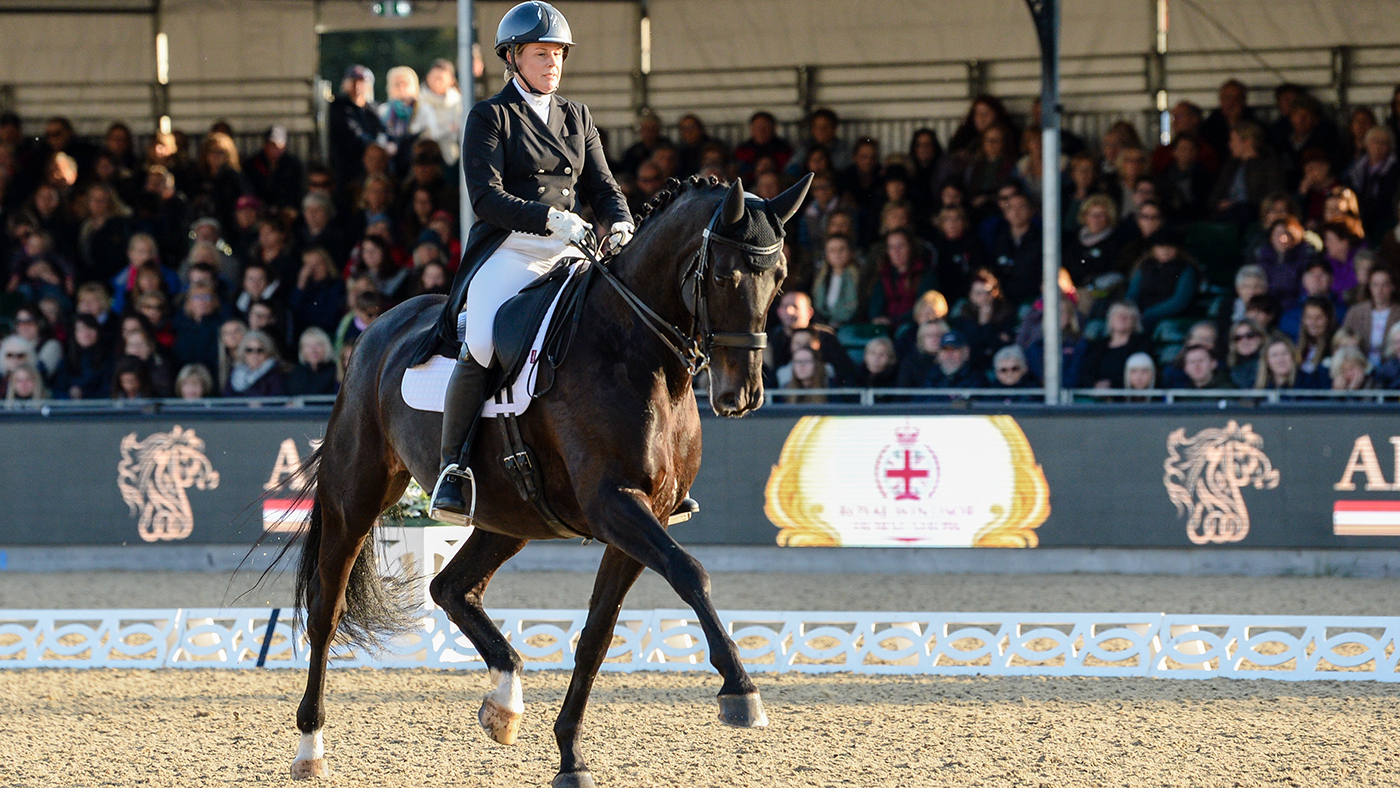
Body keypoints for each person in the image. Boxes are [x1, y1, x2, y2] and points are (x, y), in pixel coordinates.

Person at [426, 2, 635, 523]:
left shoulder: (577, 116)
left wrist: (621, 221)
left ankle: (641, 460)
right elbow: (486, 197)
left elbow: (602, 186)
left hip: (573, 246)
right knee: (480, 340)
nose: (553, 63)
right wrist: (549, 219)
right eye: (541, 53)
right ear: (514, 57)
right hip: (511, 247)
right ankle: (453, 469)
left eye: (558, 54)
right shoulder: (490, 116)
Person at [1126, 229, 1198, 331]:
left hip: (1169, 317)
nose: (1165, 251)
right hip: (1139, 314)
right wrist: (1130, 310)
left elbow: (1179, 301)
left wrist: (1148, 314)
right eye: (1160, 246)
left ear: (1177, 249)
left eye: (1170, 247)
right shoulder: (1144, 266)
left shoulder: (1186, 269)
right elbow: (1132, 293)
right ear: (1153, 249)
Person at [329, 65, 386, 187]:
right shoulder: (339, 107)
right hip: (349, 170)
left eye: (362, 82)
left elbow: (383, 130)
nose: (357, 86)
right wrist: (374, 145)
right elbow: (352, 135)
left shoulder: (372, 109)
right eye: (353, 82)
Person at [1078, 301, 1151, 389]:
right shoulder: (1098, 345)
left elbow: (1144, 375)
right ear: (1110, 319)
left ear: (1134, 321)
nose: (1122, 318)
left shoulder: (1142, 344)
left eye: (1127, 316)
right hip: (1098, 397)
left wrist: (1111, 385)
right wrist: (1095, 384)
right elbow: (1085, 372)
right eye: (1118, 315)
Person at [1342, 265, 1400, 367]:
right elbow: (1341, 336)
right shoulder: (1356, 311)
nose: (1380, 290)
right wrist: (1349, 341)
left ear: (1392, 286)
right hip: (1359, 366)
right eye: (1375, 285)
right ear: (1369, 287)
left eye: (1385, 285)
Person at [412, 59, 464, 168]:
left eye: (441, 79)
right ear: (428, 78)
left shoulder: (458, 102)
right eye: (434, 78)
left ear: (451, 80)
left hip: (451, 156)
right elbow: (413, 129)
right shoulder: (419, 101)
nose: (437, 83)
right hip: (424, 156)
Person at [811, 234, 860, 327]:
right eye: (832, 250)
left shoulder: (859, 278)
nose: (837, 254)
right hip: (823, 325)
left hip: (851, 326)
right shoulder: (820, 279)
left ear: (850, 252)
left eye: (842, 249)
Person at [225, 329, 285, 397]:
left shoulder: (277, 374)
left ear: (268, 352)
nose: (254, 354)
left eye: (260, 350)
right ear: (243, 353)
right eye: (249, 350)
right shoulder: (235, 373)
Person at [285, 327, 339, 396]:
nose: (313, 350)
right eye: (308, 346)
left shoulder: (337, 372)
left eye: (318, 345)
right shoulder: (295, 374)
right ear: (302, 350)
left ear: (326, 347)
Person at [1295, 296, 1336, 388]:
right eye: (1308, 317)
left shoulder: (1335, 348)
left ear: (1328, 319)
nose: (1312, 323)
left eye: (1318, 318)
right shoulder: (1297, 346)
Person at [897, 319, 949, 388]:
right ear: (921, 339)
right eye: (929, 336)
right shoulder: (911, 364)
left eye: (939, 335)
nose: (934, 339)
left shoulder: (955, 361)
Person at [1226, 318, 1266, 389]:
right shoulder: (1229, 368)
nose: (1244, 341)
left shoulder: (1270, 364)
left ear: (1261, 338)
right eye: (1238, 338)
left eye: (1250, 335)